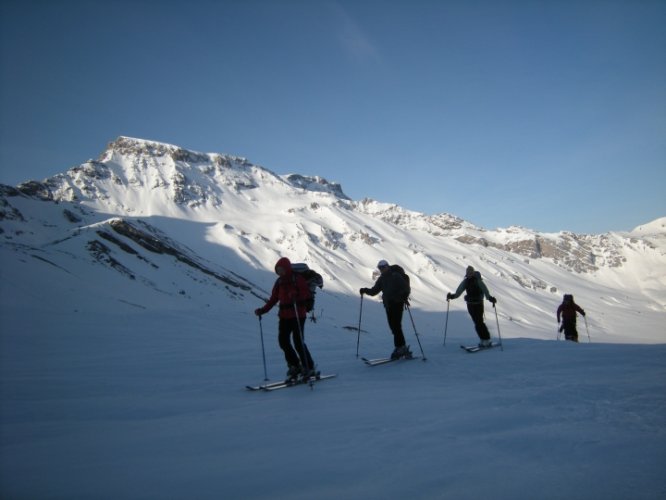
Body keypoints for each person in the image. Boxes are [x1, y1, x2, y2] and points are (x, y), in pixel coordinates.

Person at [254, 257, 316, 382]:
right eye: (278, 270)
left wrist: (296, 294)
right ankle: (295, 365)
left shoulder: (297, 279)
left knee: (298, 342)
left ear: (287, 268)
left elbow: (306, 294)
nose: (280, 272)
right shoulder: (279, 282)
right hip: (284, 316)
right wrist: (263, 310)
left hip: (298, 314)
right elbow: (273, 299)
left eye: (281, 269)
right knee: (283, 341)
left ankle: (309, 367)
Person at [359, 259, 412, 359]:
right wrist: (365, 290)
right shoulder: (382, 279)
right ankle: (402, 347)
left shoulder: (395, 276)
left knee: (396, 326)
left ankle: (400, 347)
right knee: (393, 327)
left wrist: (404, 294)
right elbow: (374, 291)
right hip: (388, 305)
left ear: (387, 266)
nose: (382, 269)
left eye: (383, 267)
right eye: (380, 268)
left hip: (397, 302)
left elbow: (406, 288)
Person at [447, 266, 497, 347]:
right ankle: (483, 340)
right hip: (470, 305)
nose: (469, 274)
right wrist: (452, 296)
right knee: (477, 323)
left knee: (479, 322)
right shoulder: (466, 282)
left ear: (473, 273)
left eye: (470, 272)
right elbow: (459, 291)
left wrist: (490, 298)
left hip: (478, 304)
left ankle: (486, 340)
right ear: (466, 273)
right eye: (468, 273)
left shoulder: (478, 281)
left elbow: (485, 291)